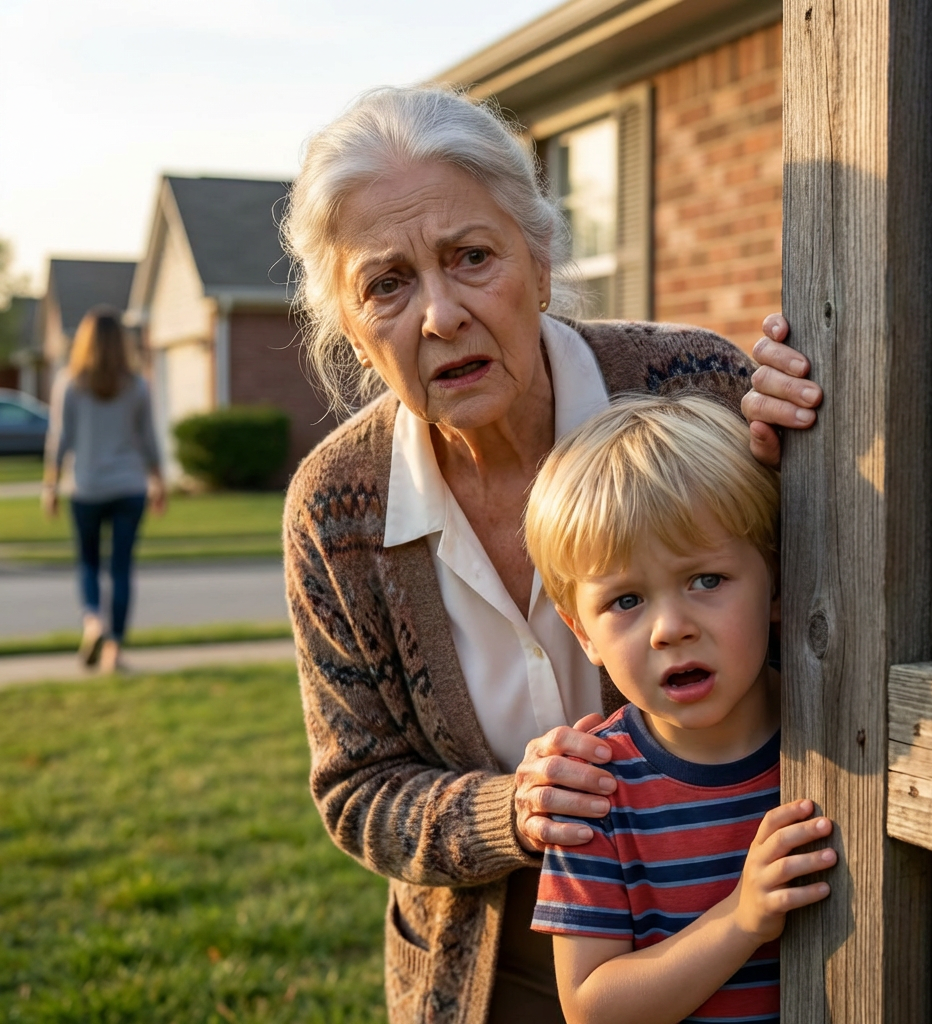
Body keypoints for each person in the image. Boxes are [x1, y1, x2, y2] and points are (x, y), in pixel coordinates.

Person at [281, 86, 822, 1024]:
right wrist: (511, 810)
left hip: (767, 929)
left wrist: (823, 437)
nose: (442, 315)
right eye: (388, 284)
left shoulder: (695, 385)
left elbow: (812, 599)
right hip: (490, 972)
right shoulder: (336, 509)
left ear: (538, 259)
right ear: (353, 330)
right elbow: (356, 789)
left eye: (472, 258)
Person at [524, 394, 835, 1024]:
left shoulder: (838, 727)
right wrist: (741, 920)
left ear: (776, 579)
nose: (669, 628)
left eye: (706, 580)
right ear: (581, 631)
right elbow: (589, 1007)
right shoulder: (594, 791)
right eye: (627, 600)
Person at [43, 306, 165, 673]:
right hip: (129, 487)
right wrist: (158, 480)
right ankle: (113, 650)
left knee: (89, 563)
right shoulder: (138, 384)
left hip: (86, 488)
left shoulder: (69, 383)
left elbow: (59, 439)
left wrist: (50, 486)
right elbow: (148, 440)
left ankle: (93, 621)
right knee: (122, 568)